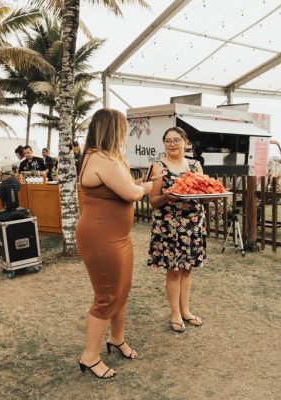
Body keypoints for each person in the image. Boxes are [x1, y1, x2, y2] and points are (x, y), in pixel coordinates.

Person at [76, 108, 154, 379]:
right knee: (107, 296)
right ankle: (90, 356)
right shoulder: (100, 158)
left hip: (117, 237)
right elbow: (131, 193)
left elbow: (127, 185)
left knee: (122, 290)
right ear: (112, 129)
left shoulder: (109, 158)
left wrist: (143, 182)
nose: (125, 133)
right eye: (122, 128)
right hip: (101, 238)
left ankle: (116, 339)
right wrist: (147, 187)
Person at [148, 126, 207, 333]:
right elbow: (153, 201)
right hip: (169, 225)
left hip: (193, 223)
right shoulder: (158, 166)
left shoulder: (195, 165)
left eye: (176, 140)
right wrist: (167, 197)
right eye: (168, 141)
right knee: (174, 271)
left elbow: (202, 190)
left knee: (187, 269)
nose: (172, 144)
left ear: (185, 142)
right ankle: (174, 313)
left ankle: (186, 311)